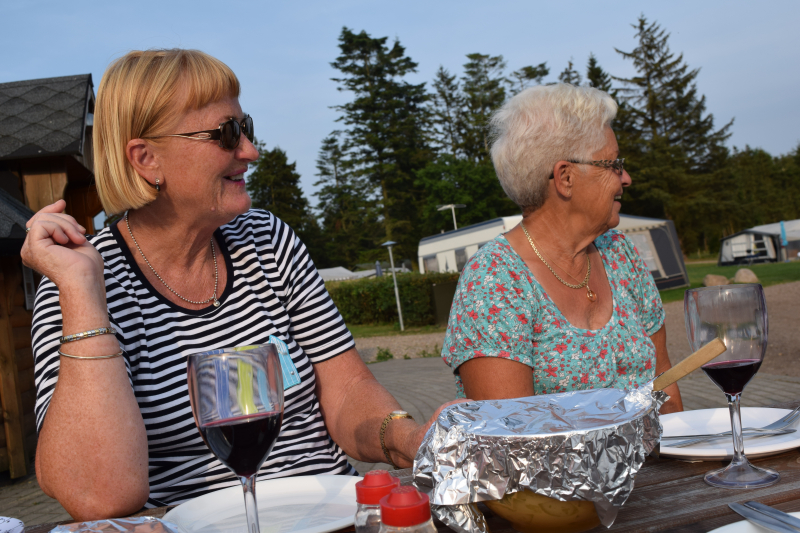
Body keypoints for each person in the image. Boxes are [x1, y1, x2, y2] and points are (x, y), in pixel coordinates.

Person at [23, 49, 451, 520]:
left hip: (330, 515)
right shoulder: (82, 280)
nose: (250, 151)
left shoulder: (266, 239)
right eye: (226, 134)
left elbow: (348, 391)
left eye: (246, 128)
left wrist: (409, 438)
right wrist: (83, 296)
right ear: (146, 159)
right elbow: (98, 496)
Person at [441, 84, 683, 413]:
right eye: (613, 164)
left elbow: (664, 380)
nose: (625, 178)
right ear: (565, 178)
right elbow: (511, 431)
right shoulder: (494, 281)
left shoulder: (619, 253)